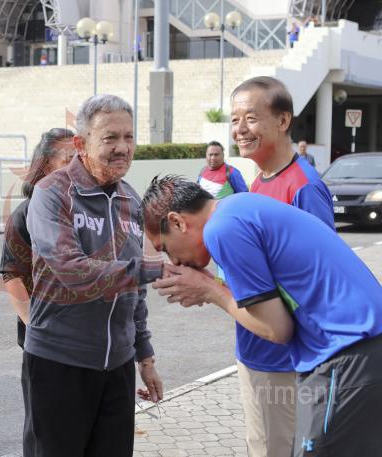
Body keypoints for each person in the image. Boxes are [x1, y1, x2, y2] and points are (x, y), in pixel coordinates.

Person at [143, 175, 382, 457]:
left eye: (165, 248)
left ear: (177, 222)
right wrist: (212, 285)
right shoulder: (239, 206)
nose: (174, 261)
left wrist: (209, 291)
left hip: (346, 355)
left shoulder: (222, 229)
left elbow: (276, 328)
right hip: (362, 350)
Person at [24, 94, 166, 457]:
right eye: (110, 138)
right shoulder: (51, 193)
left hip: (118, 366)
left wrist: (144, 357)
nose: (123, 148)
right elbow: (72, 271)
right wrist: (154, 269)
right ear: (80, 143)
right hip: (60, 362)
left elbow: (134, 290)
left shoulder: (131, 201)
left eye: (129, 137)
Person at [228, 75, 335, 457]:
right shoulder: (259, 183)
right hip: (253, 350)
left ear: (283, 120)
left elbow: (322, 282)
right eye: (235, 119)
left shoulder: (303, 187)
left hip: (285, 361)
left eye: (251, 118)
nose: (240, 129)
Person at [0, 127, 75, 457]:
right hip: (45, 346)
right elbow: (13, 276)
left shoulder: (85, 210)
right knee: (44, 433)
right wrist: (38, 328)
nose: (78, 165)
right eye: (69, 158)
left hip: (86, 343)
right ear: (45, 165)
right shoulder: (26, 214)